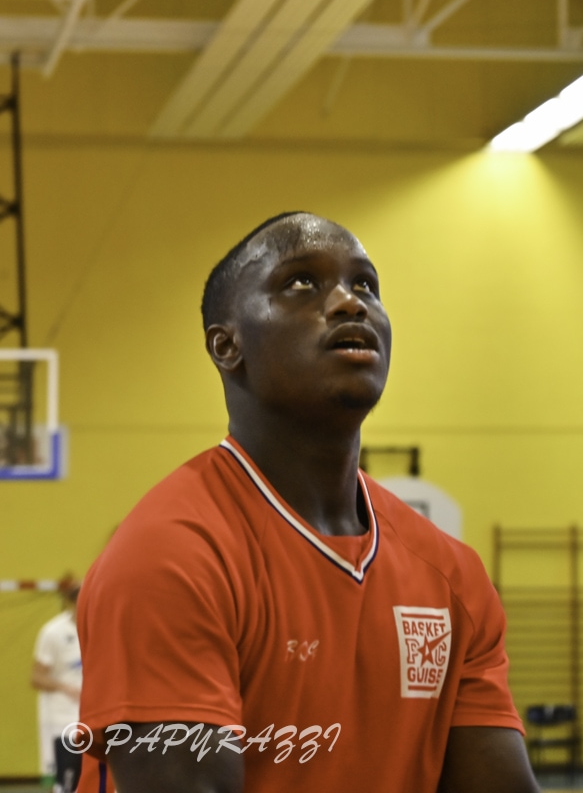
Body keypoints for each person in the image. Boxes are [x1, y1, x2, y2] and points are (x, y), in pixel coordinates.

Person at [77, 212, 540, 793]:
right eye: (301, 282)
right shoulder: (170, 554)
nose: (351, 302)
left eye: (366, 284)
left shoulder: (453, 577)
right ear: (227, 346)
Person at [31, 580, 83, 791]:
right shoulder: (53, 632)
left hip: (90, 714)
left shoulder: (101, 626)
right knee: (66, 780)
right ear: (72, 602)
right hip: (62, 718)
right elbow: (36, 678)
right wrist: (66, 688)